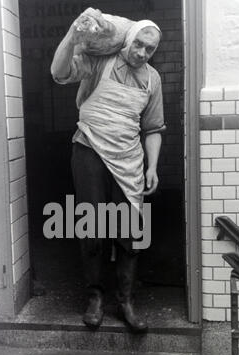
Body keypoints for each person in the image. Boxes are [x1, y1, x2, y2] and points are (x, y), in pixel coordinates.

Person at [51, 9, 166, 333]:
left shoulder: (152, 79)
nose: (142, 53)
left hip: (129, 160)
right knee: (93, 225)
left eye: (150, 49)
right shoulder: (100, 61)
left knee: (129, 231)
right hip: (89, 150)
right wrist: (73, 36)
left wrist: (152, 166)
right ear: (128, 39)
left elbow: (153, 127)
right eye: (138, 45)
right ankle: (95, 299)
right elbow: (59, 72)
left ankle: (126, 302)